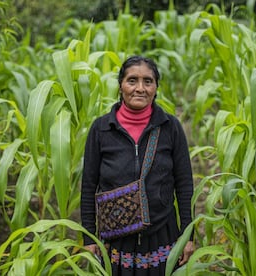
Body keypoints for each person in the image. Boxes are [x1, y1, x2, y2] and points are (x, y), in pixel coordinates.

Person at [80, 55, 194, 275]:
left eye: (148, 81)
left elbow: (185, 185)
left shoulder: (171, 127)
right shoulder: (101, 129)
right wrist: (88, 236)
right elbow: (88, 187)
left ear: (156, 87)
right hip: (114, 240)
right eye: (132, 80)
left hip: (163, 234)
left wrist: (187, 236)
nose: (140, 88)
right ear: (121, 85)